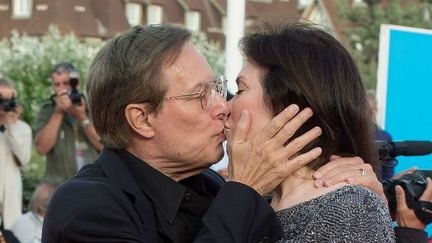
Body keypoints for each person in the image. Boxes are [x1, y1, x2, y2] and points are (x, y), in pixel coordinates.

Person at [42, 24, 373, 243]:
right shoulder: (87, 209)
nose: (222, 106)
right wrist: (245, 190)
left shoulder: (214, 189)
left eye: (219, 88)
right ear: (142, 119)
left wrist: (382, 217)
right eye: (200, 95)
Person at [223, 21, 418, 242]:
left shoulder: (348, 210)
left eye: (240, 90)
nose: (226, 106)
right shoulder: (258, 201)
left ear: (288, 103)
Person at [34, 63, 102, 183]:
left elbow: (104, 145)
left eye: (66, 83)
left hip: (93, 180)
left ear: (77, 83)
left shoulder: (93, 107)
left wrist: (81, 116)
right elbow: (41, 148)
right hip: (57, 182)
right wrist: (58, 113)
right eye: (57, 84)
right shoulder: (48, 110)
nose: (62, 89)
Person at [0, 78, 32, 229]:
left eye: (9, 98)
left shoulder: (22, 128)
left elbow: (23, 160)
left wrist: (11, 125)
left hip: (10, 203)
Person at [367, 90, 395, 180]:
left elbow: (388, 171)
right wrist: (365, 176)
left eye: (371, 110)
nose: (368, 114)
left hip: (379, 188)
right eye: (365, 110)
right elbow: (358, 169)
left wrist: (384, 188)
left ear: (376, 110)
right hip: (360, 182)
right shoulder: (353, 137)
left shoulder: (385, 137)